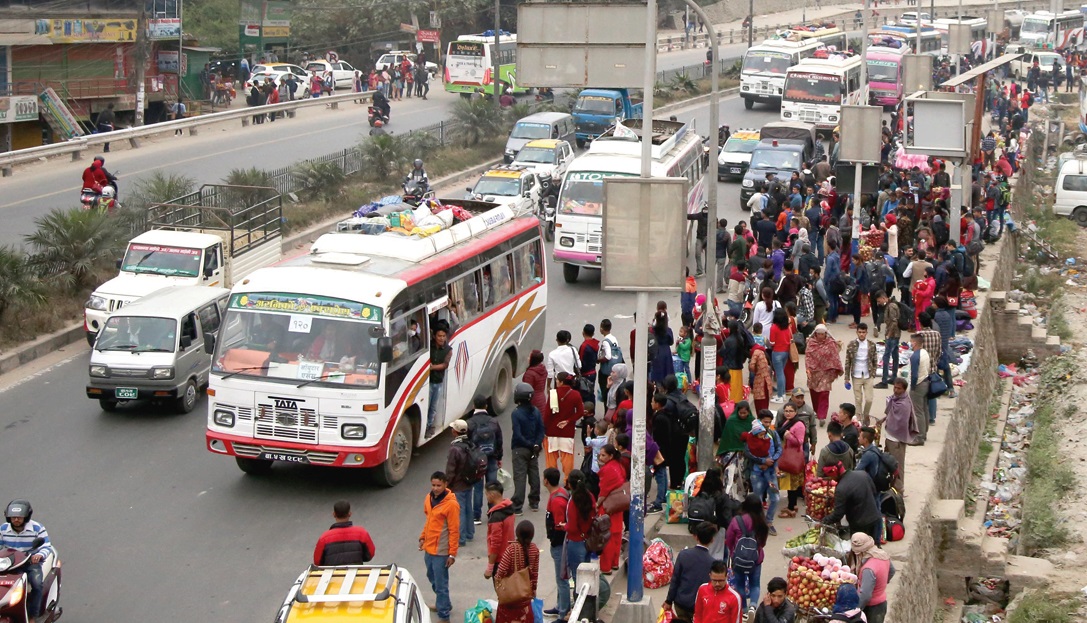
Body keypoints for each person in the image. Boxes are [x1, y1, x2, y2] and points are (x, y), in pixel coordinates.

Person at [1, 500, 52, 623]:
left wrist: (39, 555)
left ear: (26, 517)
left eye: (19, 517)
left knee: (36, 584)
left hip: (30, 563)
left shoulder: (37, 528)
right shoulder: (3, 529)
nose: (16, 520)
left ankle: (33, 616)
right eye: (13, 518)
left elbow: (46, 546)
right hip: (9, 564)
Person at [420, 472, 459, 623]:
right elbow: (428, 521)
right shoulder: (428, 499)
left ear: (445, 485)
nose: (435, 488)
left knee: (441, 584)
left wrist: (452, 554)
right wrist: (423, 537)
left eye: (438, 485)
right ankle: (444, 603)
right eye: (433, 485)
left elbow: (454, 530)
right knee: (432, 577)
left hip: (441, 551)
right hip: (429, 548)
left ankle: (444, 615)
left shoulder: (451, 505)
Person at [664, 522, 718, 623]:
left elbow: (675, 580)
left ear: (695, 537)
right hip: (699, 607)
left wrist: (668, 601)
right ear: (712, 540)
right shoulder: (713, 563)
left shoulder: (683, 555)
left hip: (681, 603)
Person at [726, 493, 770, 614]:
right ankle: (753, 606)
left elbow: (729, 539)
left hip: (738, 558)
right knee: (755, 584)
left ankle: (744, 609)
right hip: (756, 559)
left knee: (739, 584)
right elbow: (763, 542)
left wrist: (732, 552)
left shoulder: (737, 520)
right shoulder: (762, 521)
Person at [493, 520, 541, 623]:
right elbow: (534, 574)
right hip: (525, 596)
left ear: (517, 533)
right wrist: (533, 590)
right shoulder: (534, 549)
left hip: (510, 598)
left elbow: (499, 573)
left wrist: (500, 589)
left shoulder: (511, 550)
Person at [467, 394, 504, 524]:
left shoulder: (470, 423)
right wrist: (499, 457)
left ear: (473, 406)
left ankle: (476, 516)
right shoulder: (493, 422)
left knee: (477, 488)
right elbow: (499, 441)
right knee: (492, 486)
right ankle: (493, 512)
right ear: (486, 406)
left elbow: (468, 444)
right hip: (492, 458)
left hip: (477, 461)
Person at [821, 469, 881, 543]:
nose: (831, 479)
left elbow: (838, 515)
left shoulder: (841, 488)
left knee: (859, 550)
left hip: (859, 525)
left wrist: (824, 521)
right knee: (873, 547)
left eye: (830, 476)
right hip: (874, 518)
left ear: (834, 474)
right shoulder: (862, 473)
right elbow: (874, 492)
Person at [510, 382, 544, 514]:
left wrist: (529, 444)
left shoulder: (516, 413)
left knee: (520, 477)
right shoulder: (535, 411)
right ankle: (534, 502)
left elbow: (517, 434)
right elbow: (541, 429)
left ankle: (517, 505)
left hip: (520, 449)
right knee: (534, 474)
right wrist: (536, 444)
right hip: (533, 449)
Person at [543, 468, 571, 618]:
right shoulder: (559, 494)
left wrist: (554, 542)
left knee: (562, 580)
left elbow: (560, 526)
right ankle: (560, 606)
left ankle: (563, 613)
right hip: (559, 543)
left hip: (560, 544)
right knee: (560, 578)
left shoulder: (557, 500)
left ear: (546, 480)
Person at [596, 444, 628, 575]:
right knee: (616, 534)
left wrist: (597, 504)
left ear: (610, 456)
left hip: (608, 506)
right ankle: (614, 563)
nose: (601, 457)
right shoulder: (618, 466)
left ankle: (606, 567)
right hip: (618, 505)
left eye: (603, 455)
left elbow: (603, 492)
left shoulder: (607, 469)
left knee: (606, 536)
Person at [312, 500, 377, 565]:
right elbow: (370, 554)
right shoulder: (361, 533)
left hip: (333, 574)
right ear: (349, 514)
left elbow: (317, 561)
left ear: (334, 514)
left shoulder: (324, 538)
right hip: (355, 573)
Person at [447, 419, 478, 546]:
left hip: (458, 485)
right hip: (468, 482)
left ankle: (461, 538)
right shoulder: (470, 444)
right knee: (468, 508)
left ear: (455, 432)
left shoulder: (454, 449)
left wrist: (447, 485)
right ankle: (470, 533)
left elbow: (450, 470)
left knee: (460, 511)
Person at [563, 470, 596, 587]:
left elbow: (571, 526)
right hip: (588, 539)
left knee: (578, 577)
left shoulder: (573, 502)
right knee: (586, 576)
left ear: (570, 484)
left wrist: (564, 526)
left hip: (575, 541)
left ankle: (580, 602)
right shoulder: (590, 496)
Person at [851, 532, 894, 623]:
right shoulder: (882, 555)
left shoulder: (868, 569)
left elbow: (865, 595)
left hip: (871, 608)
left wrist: (856, 610)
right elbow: (892, 571)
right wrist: (880, 584)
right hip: (882, 603)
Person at [805, 325, 843, 425]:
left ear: (826, 334)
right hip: (814, 372)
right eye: (819, 334)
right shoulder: (811, 343)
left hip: (826, 372)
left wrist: (836, 368)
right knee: (814, 392)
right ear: (815, 334)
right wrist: (808, 369)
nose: (821, 336)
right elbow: (808, 356)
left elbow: (835, 356)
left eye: (823, 334)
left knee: (824, 393)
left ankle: (822, 416)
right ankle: (817, 410)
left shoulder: (830, 343)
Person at [547, 372, 582, 478]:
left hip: (552, 431)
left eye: (557, 380)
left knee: (551, 458)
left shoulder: (553, 394)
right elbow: (580, 412)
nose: (556, 382)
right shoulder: (575, 394)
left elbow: (547, 414)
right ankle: (568, 480)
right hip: (567, 431)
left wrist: (544, 429)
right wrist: (569, 421)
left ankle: (552, 479)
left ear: (561, 382)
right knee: (567, 459)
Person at [775, 403, 806, 518]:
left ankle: (791, 509)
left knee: (792, 485)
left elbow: (800, 442)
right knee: (789, 483)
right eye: (786, 410)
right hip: (787, 456)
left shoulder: (799, 425)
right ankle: (792, 505)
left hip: (793, 458)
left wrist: (789, 436)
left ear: (796, 412)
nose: (788, 413)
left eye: (790, 411)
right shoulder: (786, 422)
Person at [844, 322, 878, 425]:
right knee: (858, 399)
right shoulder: (851, 344)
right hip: (856, 374)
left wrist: (873, 372)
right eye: (860, 332)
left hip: (868, 374)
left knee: (869, 399)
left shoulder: (871, 345)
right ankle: (858, 419)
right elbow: (847, 361)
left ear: (866, 332)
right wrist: (846, 377)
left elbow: (875, 359)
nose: (862, 334)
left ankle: (866, 415)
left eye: (863, 332)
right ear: (856, 332)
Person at [484, 482, 516, 578]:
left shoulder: (496, 517)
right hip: (511, 555)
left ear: (492, 494)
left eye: (486, 494)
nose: (486, 497)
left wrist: (490, 567)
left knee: (502, 591)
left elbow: (495, 544)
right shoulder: (509, 508)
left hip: (500, 561)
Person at [427, 324, 453, 436]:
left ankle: (429, 426)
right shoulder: (429, 347)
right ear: (434, 336)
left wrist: (432, 367)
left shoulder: (448, 350)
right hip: (427, 382)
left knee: (433, 407)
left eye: (443, 336)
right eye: (439, 336)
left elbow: (445, 365)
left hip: (437, 382)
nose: (442, 338)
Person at [874, 292, 901, 389]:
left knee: (886, 357)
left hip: (892, 335)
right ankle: (893, 377)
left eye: (879, 300)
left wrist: (889, 334)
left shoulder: (891, 306)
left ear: (883, 298)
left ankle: (884, 381)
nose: (879, 303)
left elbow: (894, 321)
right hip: (895, 334)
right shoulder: (892, 305)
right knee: (895, 355)